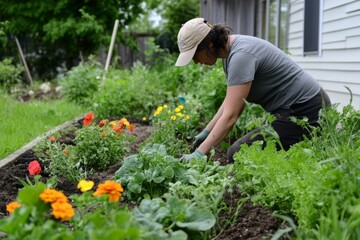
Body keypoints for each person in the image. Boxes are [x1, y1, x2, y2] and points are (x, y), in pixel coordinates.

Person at [176, 17, 331, 163]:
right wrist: (207, 132)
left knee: (237, 153)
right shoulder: (228, 52)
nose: (196, 62)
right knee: (248, 147)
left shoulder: (241, 56)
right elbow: (231, 101)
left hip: (307, 111)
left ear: (209, 45)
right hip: (292, 109)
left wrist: (199, 154)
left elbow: (231, 116)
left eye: (195, 55)